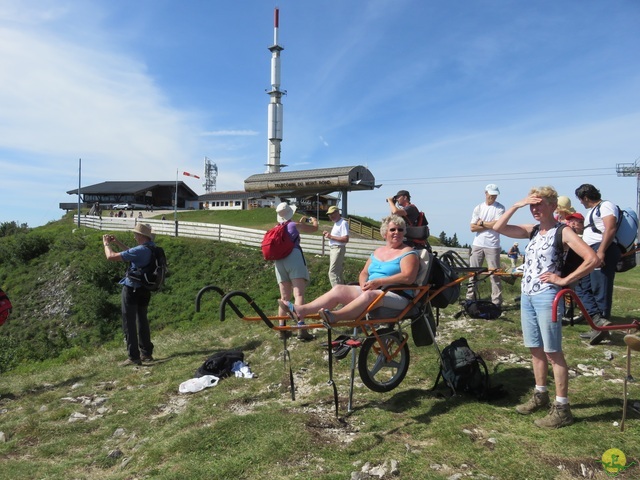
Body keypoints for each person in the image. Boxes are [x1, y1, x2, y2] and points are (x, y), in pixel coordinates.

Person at [493, 186, 598, 428]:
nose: (534, 209)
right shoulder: (532, 232)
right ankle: (540, 395)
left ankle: (562, 408)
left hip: (547, 296)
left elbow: (593, 259)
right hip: (527, 295)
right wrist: (517, 204)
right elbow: (498, 228)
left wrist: (563, 280)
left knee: (553, 352)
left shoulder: (563, 232)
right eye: (532, 205)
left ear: (553, 206)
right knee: (535, 349)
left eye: (539, 204)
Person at [279, 215, 419, 325]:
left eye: (400, 229)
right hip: (373, 290)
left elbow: (408, 277)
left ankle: (335, 316)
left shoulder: (408, 252)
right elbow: (364, 272)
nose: (397, 232)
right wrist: (363, 283)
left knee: (370, 295)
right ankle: (301, 311)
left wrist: (379, 281)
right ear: (384, 233)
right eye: (392, 229)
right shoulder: (378, 251)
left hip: (397, 295)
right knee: (339, 288)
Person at [102, 224, 158, 366]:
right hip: (145, 288)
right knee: (142, 319)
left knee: (129, 321)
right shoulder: (152, 248)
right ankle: (146, 353)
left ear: (141, 236)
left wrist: (107, 244)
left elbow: (111, 257)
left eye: (135, 234)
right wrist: (118, 242)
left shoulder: (140, 250)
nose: (134, 236)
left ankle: (133, 356)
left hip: (132, 288)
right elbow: (132, 253)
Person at [574, 184, 620, 345]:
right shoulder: (593, 211)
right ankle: (597, 322)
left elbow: (610, 228)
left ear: (585, 197)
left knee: (601, 289)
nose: (581, 202)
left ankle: (601, 329)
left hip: (602, 249)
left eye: (580, 199)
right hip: (592, 251)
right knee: (582, 286)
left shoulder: (606, 206)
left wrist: (601, 251)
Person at [274, 202, 318, 341]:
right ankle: (301, 328)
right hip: (293, 257)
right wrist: (315, 221)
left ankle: (282, 328)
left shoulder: (276, 228)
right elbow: (314, 229)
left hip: (279, 260)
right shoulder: (293, 225)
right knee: (298, 293)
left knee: (284, 297)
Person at [466, 184, 505, 306]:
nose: (493, 197)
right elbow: (472, 227)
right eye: (491, 194)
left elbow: (497, 225)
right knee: (473, 273)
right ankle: (470, 299)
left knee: (495, 275)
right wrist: (489, 224)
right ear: (486, 193)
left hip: (492, 245)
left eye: (495, 195)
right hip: (477, 244)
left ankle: (496, 302)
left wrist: (481, 223)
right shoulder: (478, 207)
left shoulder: (500, 208)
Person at [323, 206, 349, 287]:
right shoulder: (337, 223)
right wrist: (329, 236)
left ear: (338, 212)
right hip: (335, 249)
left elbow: (345, 239)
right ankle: (343, 292)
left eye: (332, 213)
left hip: (338, 249)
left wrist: (330, 236)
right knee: (338, 272)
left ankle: (337, 293)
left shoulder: (343, 223)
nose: (331, 216)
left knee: (332, 272)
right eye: (329, 214)